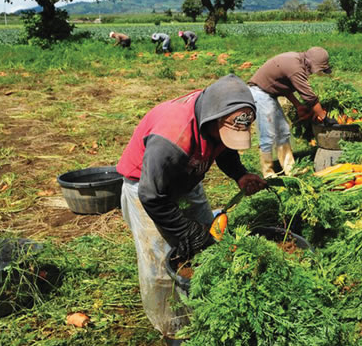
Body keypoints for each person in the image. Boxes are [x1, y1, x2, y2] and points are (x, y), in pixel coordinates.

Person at [116, 74, 267, 340]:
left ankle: (208, 302)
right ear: (211, 119)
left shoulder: (218, 111)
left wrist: (240, 174)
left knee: (209, 240)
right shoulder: (171, 140)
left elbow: (225, 148)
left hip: (186, 175)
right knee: (163, 259)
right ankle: (172, 326)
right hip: (147, 187)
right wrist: (187, 232)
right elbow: (153, 196)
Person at [247, 47, 335, 178]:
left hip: (268, 93)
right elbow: (309, 97)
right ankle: (268, 173)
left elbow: (285, 87)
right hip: (260, 93)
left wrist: (298, 105)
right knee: (268, 132)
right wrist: (324, 116)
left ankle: (290, 169)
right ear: (312, 63)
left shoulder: (297, 61)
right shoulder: (296, 67)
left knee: (283, 130)